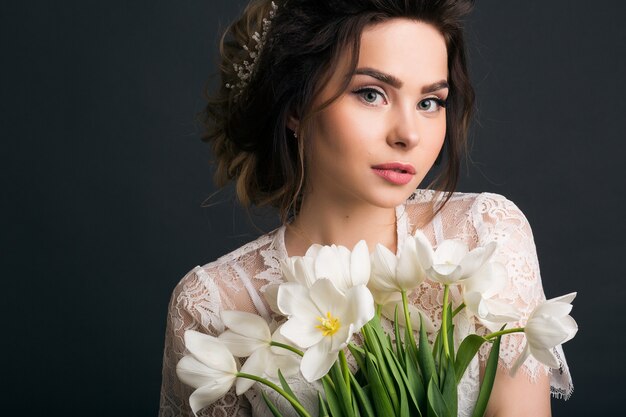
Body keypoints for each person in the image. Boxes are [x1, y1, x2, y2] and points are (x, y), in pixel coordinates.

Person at [159, 0, 573, 416]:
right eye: (371, 94)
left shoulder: (485, 232)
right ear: (297, 108)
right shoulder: (210, 304)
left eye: (430, 102)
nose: (409, 134)